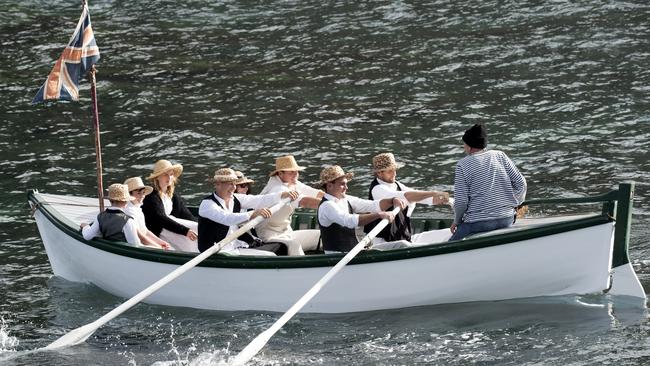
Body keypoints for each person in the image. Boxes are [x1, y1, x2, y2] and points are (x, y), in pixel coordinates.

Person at [449, 123, 527, 241]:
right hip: (507, 218)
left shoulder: (462, 165)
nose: (464, 147)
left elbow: (461, 202)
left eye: (464, 144)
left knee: (450, 246)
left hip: (478, 223)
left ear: (470, 146)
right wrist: (515, 204)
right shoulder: (500, 155)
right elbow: (521, 184)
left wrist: (457, 221)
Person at [197, 168, 299, 256]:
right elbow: (227, 218)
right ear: (218, 184)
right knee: (269, 256)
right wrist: (252, 214)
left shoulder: (235, 198)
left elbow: (259, 200)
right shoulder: (207, 204)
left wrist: (282, 195)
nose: (233, 188)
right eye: (229, 184)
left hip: (234, 247)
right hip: (214, 252)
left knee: (279, 248)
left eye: (234, 184)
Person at [317, 165, 410, 253]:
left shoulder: (346, 199)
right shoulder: (327, 206)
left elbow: (372, 205)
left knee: (402, 245)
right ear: (329, 186)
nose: (346, 187)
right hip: (338, 257)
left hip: (353, 252)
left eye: (346, 184)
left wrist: (392, 200)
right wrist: (379, 215)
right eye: (342, 184)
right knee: (403, 245)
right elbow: (349, 220)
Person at [364, 152, 453, 245]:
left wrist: (441, 199)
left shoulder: (396, 184)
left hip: (402, 237)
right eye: (390, 171)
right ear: (379, 173)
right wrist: (434, 193)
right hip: (384, 243)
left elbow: (417, 195)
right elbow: (406, 196)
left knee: (450, 232)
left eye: (395, 170)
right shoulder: (377, 189)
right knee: (404, 245)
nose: (394, 174)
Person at [256, 155, 324, 256]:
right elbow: (305, 202)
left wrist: (340, 200)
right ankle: (304, 269)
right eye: (291, 172)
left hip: (287, 233)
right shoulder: (277, 189)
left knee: (321, 236)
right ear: (280, 173)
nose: (295, 174)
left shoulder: (293, 183)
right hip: (268, 237)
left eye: (297, 171)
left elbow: (316, 193)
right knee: (294, 245)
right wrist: (329, 205)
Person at [141, 159, 199, 252]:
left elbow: (186, 214)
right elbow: (160, 218)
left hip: (168, 226)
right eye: (165, 174)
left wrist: (200, 225)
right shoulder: (152, 196)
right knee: (188, 240)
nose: (169, 177)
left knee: (197, 227)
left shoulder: (171, 195)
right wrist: (185, 231)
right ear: (157, 177)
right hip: (158, 230)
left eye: (171, 174)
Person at [123, 176, 172, 250]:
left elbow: (145, 231)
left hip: (143, 243)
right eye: (138, 193)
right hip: (137, 247)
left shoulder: (137, 208)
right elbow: (141, 237)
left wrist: (161, 242)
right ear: (129, 195)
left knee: (170, 247)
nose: (142, 196)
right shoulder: (128, 211)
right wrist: (159, 247)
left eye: (143, 193)